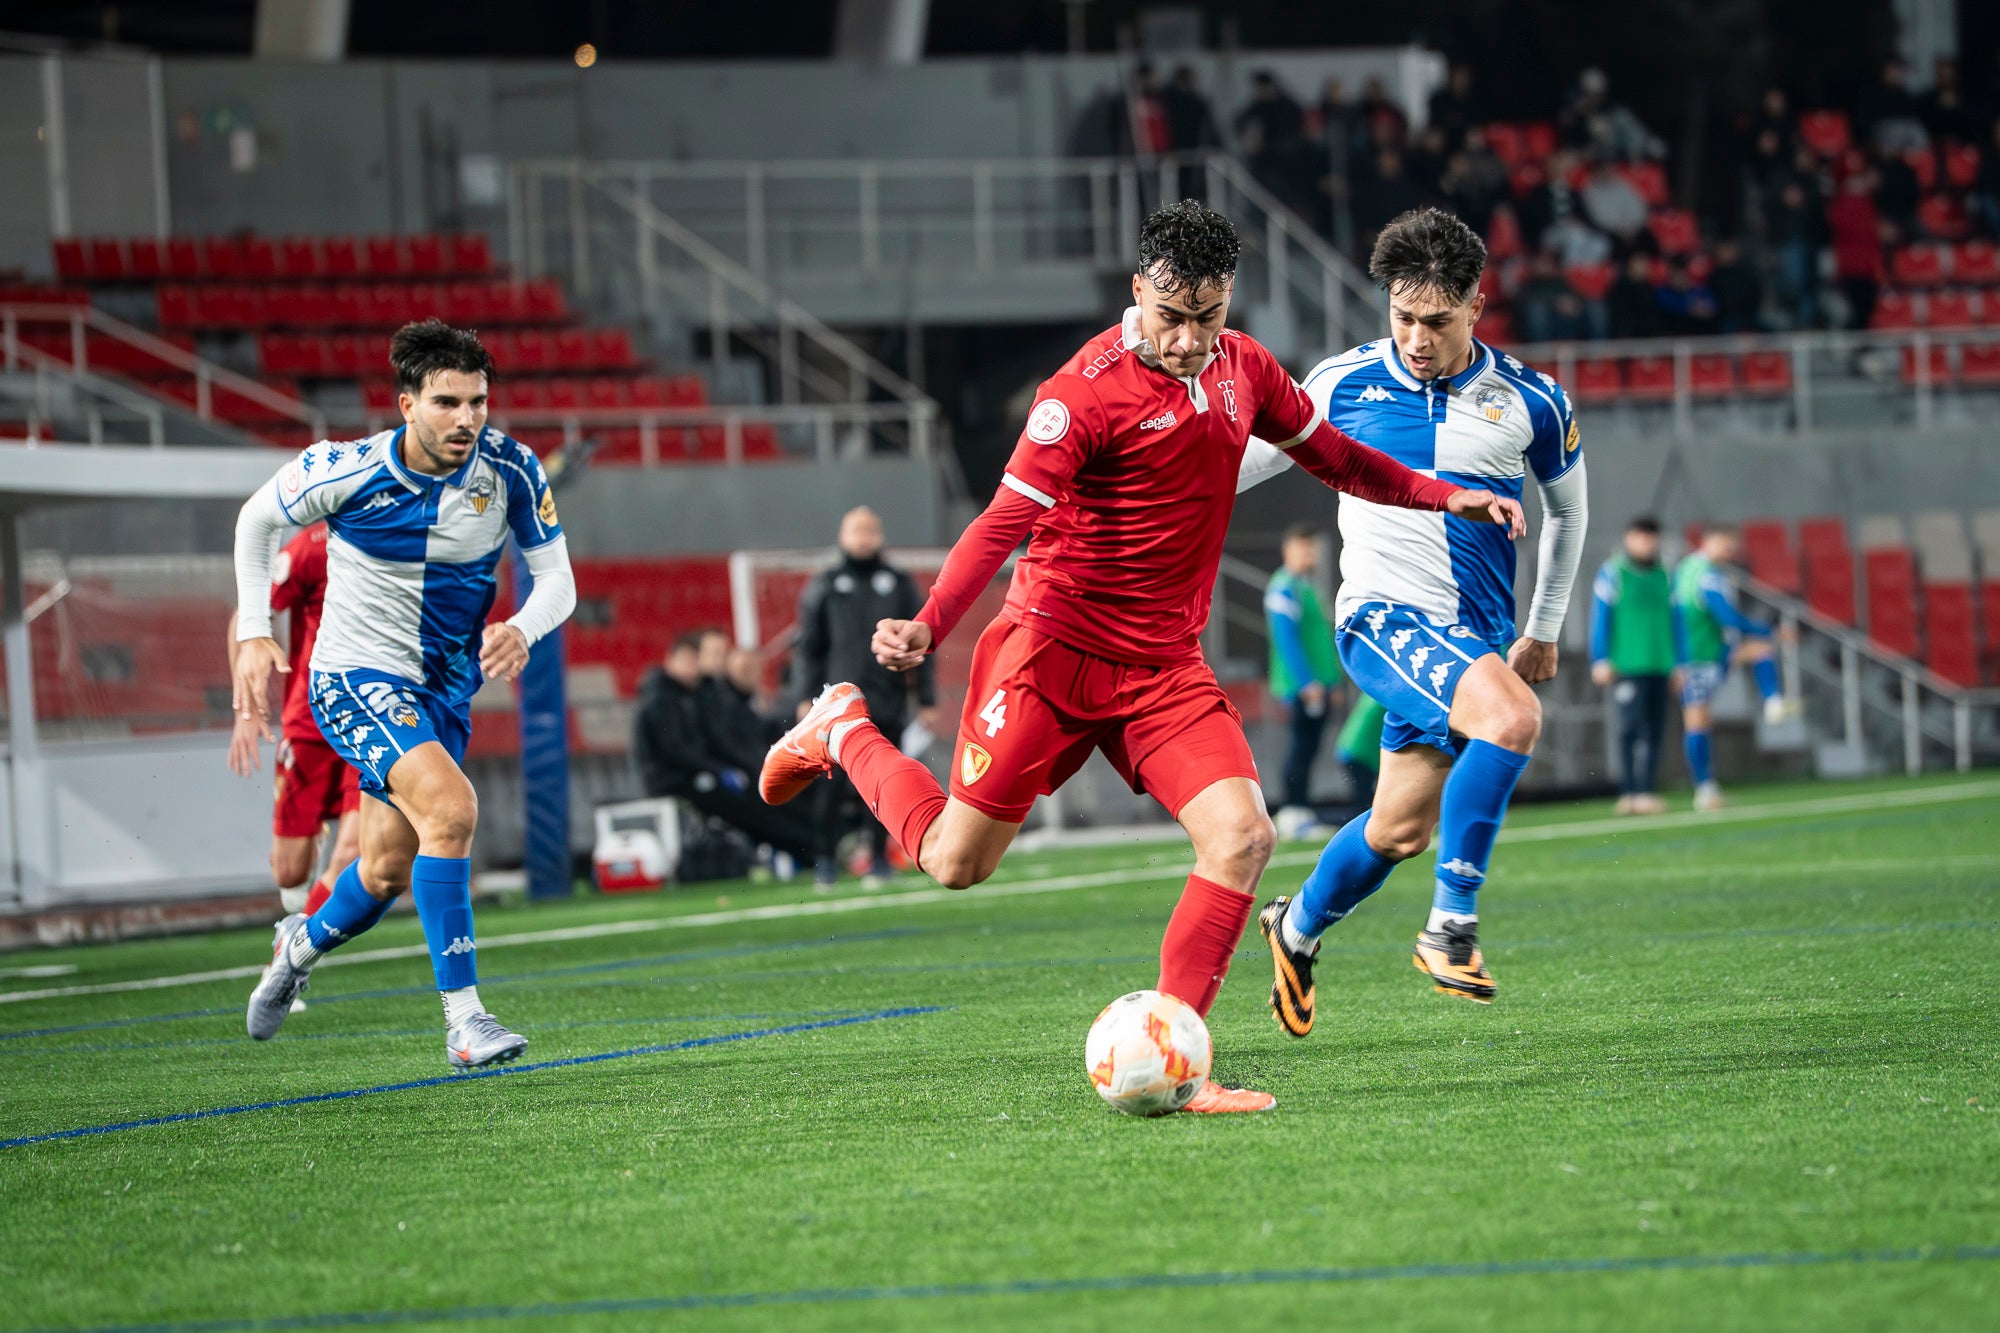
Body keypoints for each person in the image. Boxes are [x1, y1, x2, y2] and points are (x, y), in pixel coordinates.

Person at [759, 200, 1523, 1113]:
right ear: (1137, 293)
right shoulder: (1079, 394)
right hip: (1052, 653)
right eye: (1171, 316)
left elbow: (1337, 459)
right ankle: (842, 728)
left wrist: (1443, 496)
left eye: (1209, 315)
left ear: (1228, 301)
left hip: (1163, 667)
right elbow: (1003, 522)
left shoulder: (1246, 368)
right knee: (956, 860)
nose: (1190, 338)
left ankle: (1179, 1062)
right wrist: (930, 619)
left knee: (1244, 837)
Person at [1238, 205, 1589, 1031]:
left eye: (1436, 320)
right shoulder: (1340, 383)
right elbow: (1239, 465)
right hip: (1382, 620)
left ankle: (1296, 927)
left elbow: (1568, 512)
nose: (1416, 337)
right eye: (1402, 316)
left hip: (1474, 639)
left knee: (1399, 829)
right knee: (1511, 719)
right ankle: (1450, 926)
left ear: (1476, 305)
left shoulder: (1532, 399)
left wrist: (1543, 627)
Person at [231, 319, 576, 1067]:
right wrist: (255, 629)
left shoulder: (511, 469)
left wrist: (523, 627)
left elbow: (558, 580)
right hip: (353, 678)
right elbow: (256, 519)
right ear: (407, 404)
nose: (466, 419)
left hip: (444, 690)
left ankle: (297, 947)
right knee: (452, 810)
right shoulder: (346, 469)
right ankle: (466, 1021)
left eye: (478, 402)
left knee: (385, 868)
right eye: (447, 402)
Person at [225, 523, 363, 1015]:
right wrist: (247, 708)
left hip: (374, 719)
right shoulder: (313, 546)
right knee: (289, 871)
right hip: (310, 723)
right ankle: (297, 923)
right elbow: (246, 617)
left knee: (354, 851)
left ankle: (286, 965)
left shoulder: (403, 534)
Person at [789, 507, 939, 890]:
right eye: (856, 530)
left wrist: (926, 698)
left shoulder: (899, 583)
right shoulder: (825, 584)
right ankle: (825, 860)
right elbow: (809, 647)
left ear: (880, 536)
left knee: (885, 782)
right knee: (830, 784)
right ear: (843, 536)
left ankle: (879, 858)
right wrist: (805, 696)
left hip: (887, 700)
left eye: (870, 530)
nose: (863, 537)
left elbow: (922, 643)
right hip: (836, 706)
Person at [634, 634, 818, 867]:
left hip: (698, 774)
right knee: (752, 807)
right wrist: (719, 770)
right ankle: (811, 848)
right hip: (678, 781)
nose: (695, 667)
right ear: (670, 660)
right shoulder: (665, 699)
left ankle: (812, 847)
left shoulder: (694, 695)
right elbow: (677, 749)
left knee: (765, 802)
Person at [1672, 525, 1797, 812]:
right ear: (1710, 542)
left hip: (1712, 651)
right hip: (1698, 657)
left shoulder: (1685, 570)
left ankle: (1773, 702)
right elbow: (1727, 617)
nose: (1730, 554)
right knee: (1697, 720)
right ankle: (1704, 790)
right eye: (1727, 547)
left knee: (1759, 652)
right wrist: (1769, 630)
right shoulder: (1705, 575)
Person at [1590, 517, 1675, 815]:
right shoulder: (1614, 572)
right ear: (1628, 538)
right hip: (1627, 664)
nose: (1646, 544)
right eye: (1640, 537)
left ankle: (1646, 791)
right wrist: (1600, 658)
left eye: (1651, 538)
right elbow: (1601, 617)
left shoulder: (1665, 574)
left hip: (1660, 663)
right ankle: (1628, 792)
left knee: (1654, 730)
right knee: (1628, 728)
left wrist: (1680, 662)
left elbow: (1676, 621)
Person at [1263, 524, 1342, 829]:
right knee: (1299, 747)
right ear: (1288, 550)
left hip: (1319, 684)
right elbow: (1286, 640)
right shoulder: (1283, 588)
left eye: (1312, 549)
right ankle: (1292, 810)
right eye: (1303, 548)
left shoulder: (1306, 587)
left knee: (1309, 748)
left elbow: (1319, 640)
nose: (1309, 554)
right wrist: (1306, 681)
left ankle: (1301, 810)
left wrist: (1332, 681)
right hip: (1301, 686)